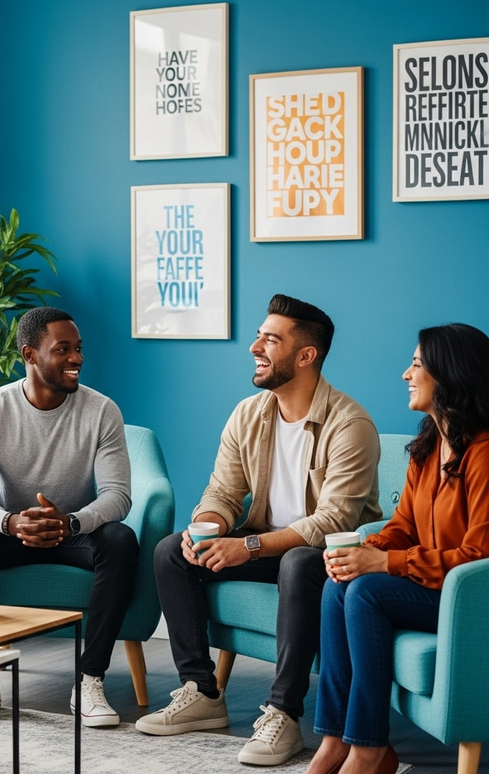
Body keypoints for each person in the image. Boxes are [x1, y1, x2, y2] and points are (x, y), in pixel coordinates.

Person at [136, 294, 382, 767]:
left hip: (324, 561)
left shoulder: (351, 424)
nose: (255, 347)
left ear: (306, 355)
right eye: (258, 335)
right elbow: (222, 492)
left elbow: (333, 521)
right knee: (172, 550)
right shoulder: (249, 414)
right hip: (265, 549)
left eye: (271, 339)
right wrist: (206, 531)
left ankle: (285, 714)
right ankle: (201, 692)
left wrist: (246, 546)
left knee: (299, 560)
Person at [305, 323, 489, 774]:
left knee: (367, 591)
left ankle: (369, 749)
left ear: (450, 374)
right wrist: (364, 552)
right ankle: (333, 739)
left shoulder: (484, 452)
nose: (406, 375)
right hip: (433, 586)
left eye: (416, 365)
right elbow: (403, 525)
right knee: (341, 584)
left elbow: (478, 556)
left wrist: (384, 562)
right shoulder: (428, 447)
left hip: (470, 600)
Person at [0, 306, 138, 727]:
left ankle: (90, 678)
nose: (77, 359)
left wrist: (70, 522)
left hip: (73, 531)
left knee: (121, 540)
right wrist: (10, 522)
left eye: (79, 349)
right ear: (30, 355)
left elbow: (118, 497)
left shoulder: (102, 411)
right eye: (63, 349)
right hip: (12, 531)